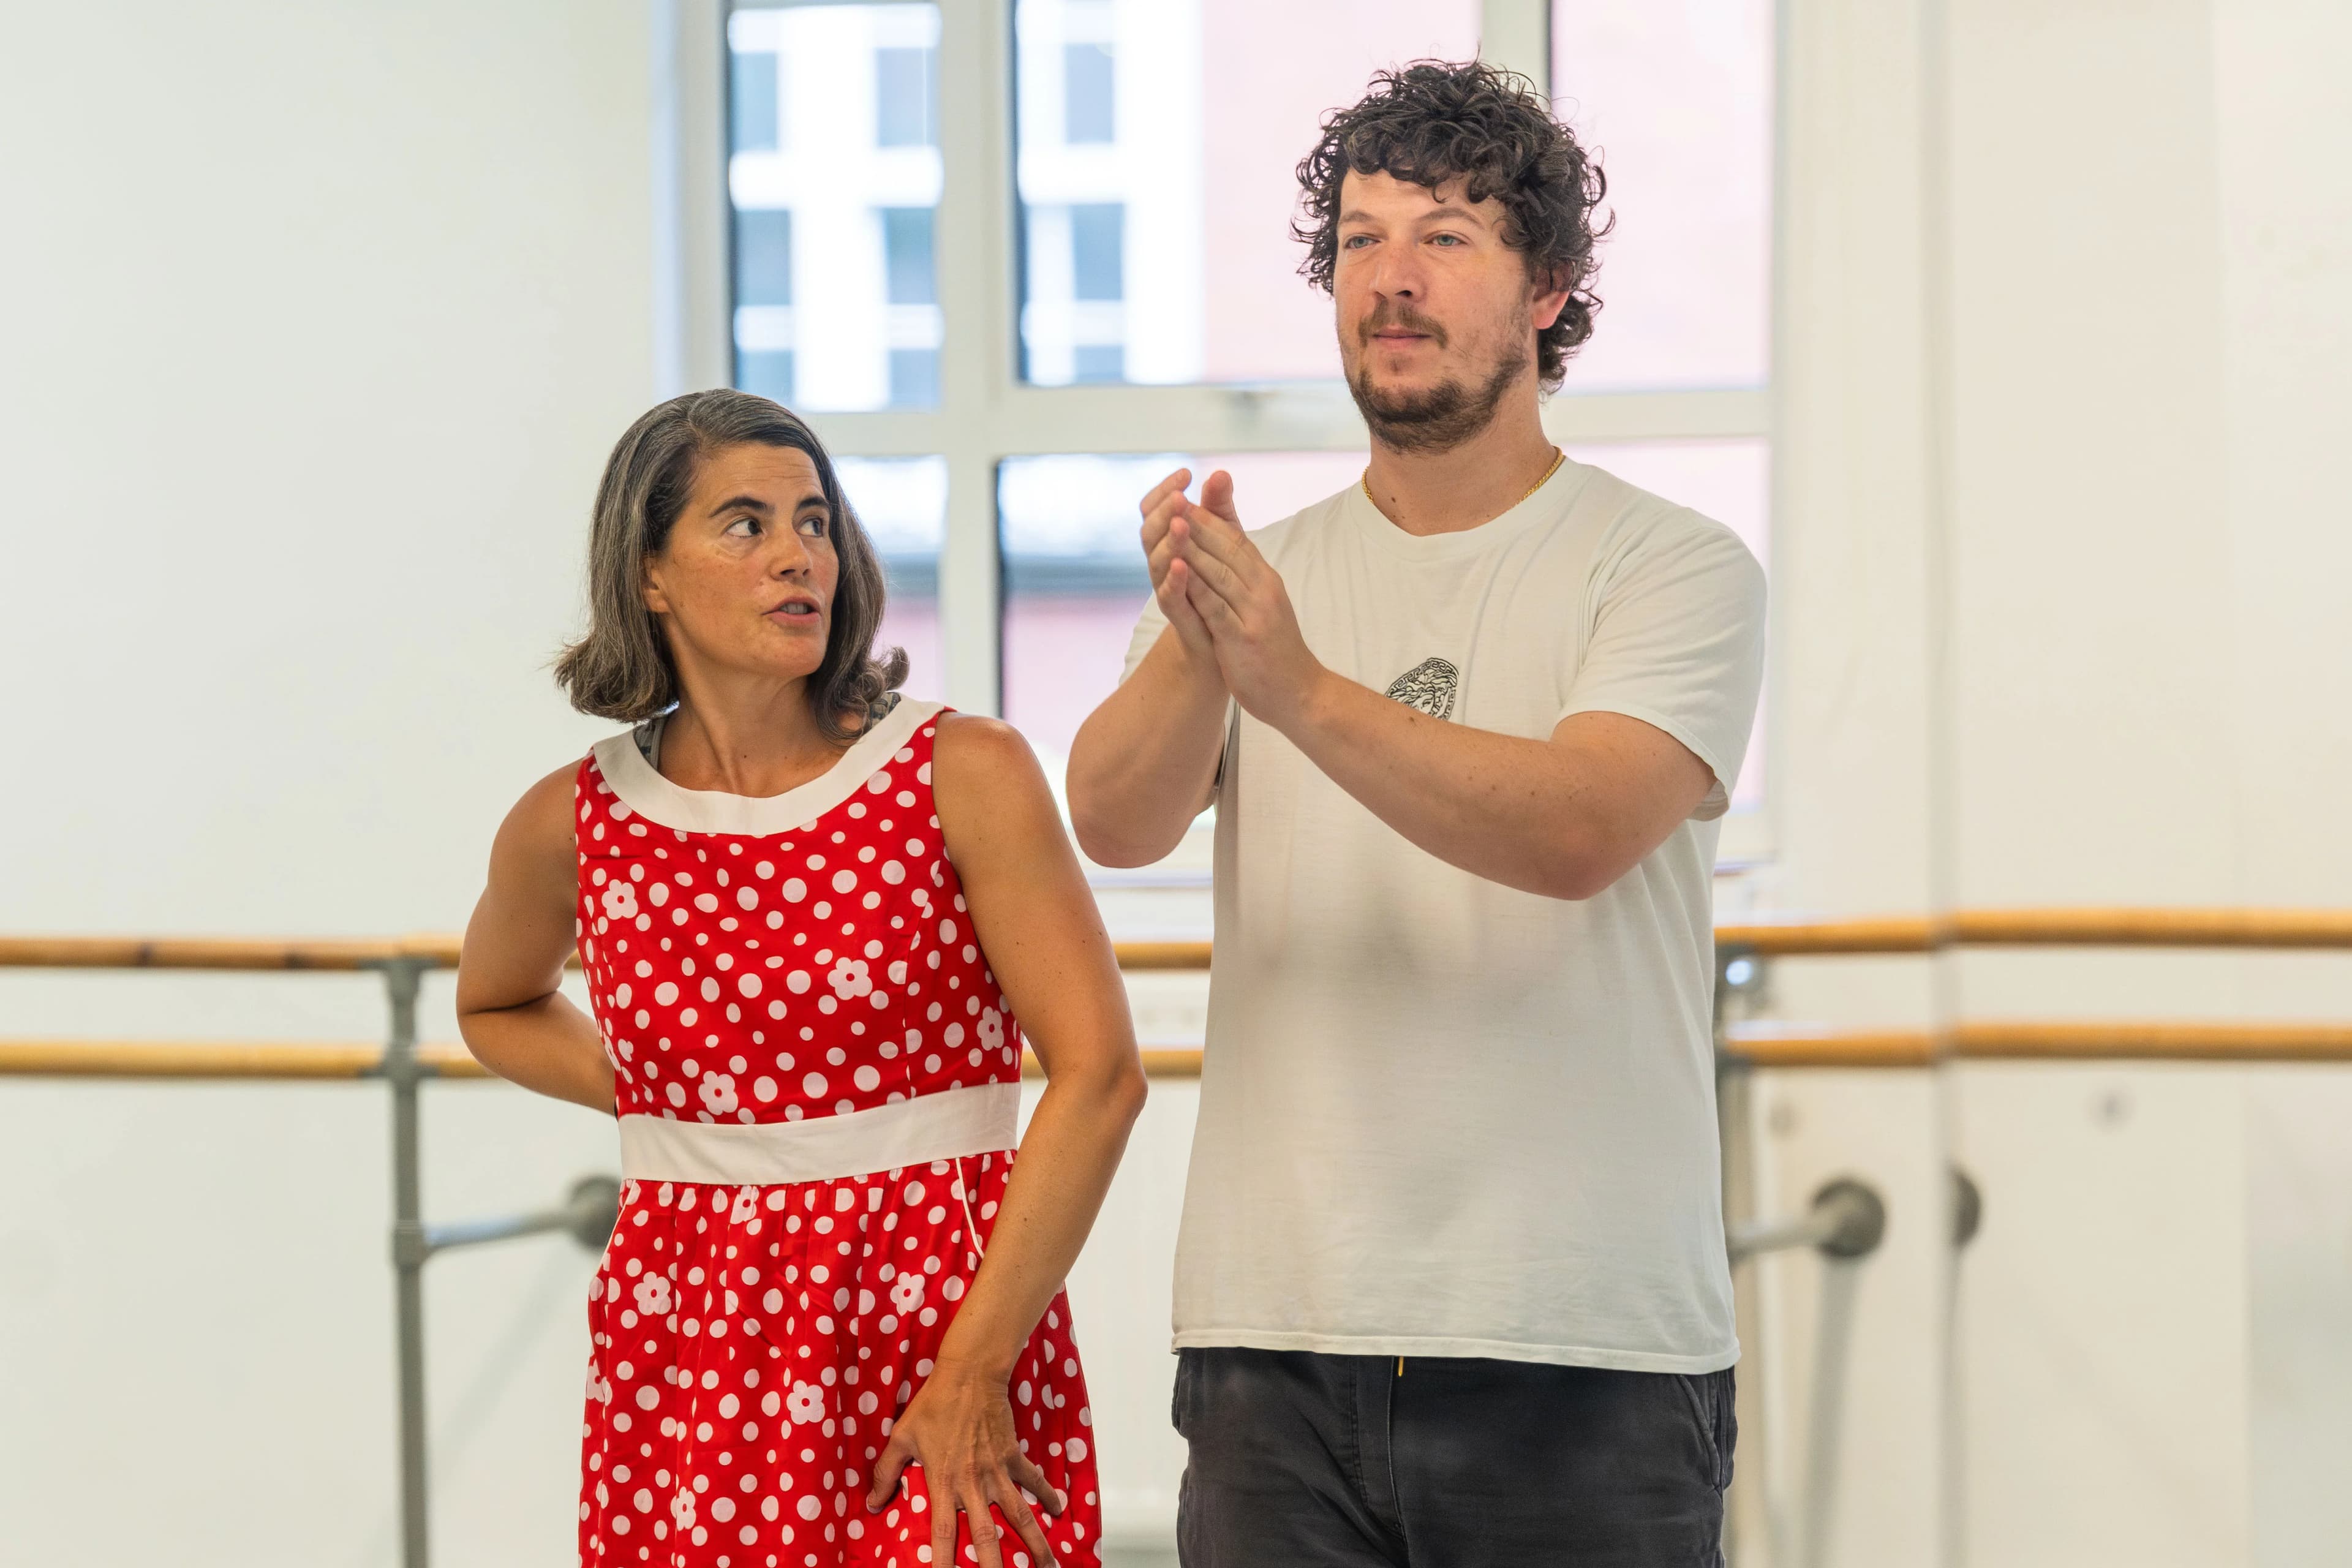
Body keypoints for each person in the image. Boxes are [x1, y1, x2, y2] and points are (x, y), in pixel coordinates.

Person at [1066, 62, 1766, 1567]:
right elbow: (1116, 820)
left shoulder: (1670, 565)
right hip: (1274, 1343)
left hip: (1582, 1345)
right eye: (1361, 239)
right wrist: (1205, 643)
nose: (1390, 280)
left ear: (1550, 288)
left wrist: (1295, 683)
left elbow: (1578, 827)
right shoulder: (1258, 575)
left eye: (1445, 236)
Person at [458, 389, 1145, 1568]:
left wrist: (976, 1367)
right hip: (693, 1346)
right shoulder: (571, 823)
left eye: (815, 521)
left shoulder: (959, 771)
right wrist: (683, 1105)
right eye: (745, 524)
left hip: (937, 1329)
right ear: (651, 574)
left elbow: (1101, 1077)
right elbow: (493, 1005)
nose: (798, 557)